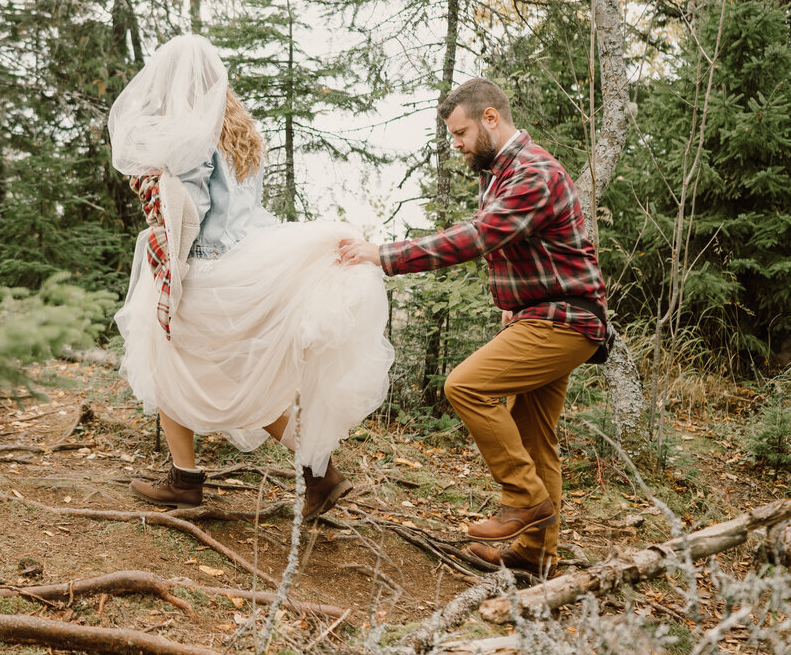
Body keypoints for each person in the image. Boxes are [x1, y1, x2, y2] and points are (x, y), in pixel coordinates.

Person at [110, 34, 394, 520]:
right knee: (242, 377)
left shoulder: (188, 133)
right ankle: (320, 474)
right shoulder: (238, 125)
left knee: (165, 357)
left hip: (208, 268)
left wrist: (158, 205)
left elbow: (192, 211)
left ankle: (185, 481)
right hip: (249, 259)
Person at [338, 77, 607, 578]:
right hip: (542, 313)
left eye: (460, 133)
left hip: (566, 318)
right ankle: (535, 555)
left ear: (490, 118)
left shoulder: (533, 171)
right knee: (534, 437)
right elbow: (520, 245)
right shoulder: (499, 172)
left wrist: (384, 254)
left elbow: (480, 237)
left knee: (465, 386)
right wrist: (514, 301)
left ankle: (525, 499)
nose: (456, 144)